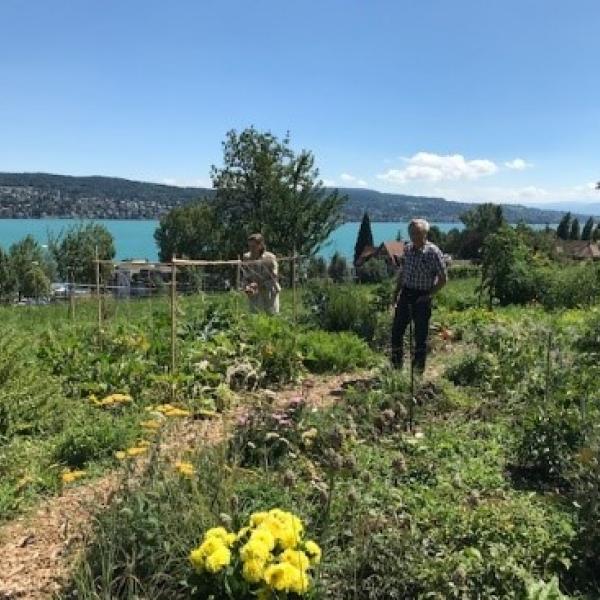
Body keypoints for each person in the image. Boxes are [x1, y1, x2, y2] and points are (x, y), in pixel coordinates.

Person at [391, 218, 447, 373]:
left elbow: (443, 279)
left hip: (422, 297)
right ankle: (396, 369)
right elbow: (403, 273)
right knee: (397, 331)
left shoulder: (433, 252)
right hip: (406, 293)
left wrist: (428, 295)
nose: (414, 236)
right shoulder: (407, 249)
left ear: (425, 233)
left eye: (417, 233)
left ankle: (417, 373)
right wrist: (396, 293)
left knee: (420, 336)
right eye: (412, 233)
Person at [242, 233, 281, 314]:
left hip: (269, 290)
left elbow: (274, 275)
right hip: (254, 292)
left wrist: (259, 284)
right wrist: (247, 286)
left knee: (272, 316)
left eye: (254, 246)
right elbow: (246, 275)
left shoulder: (269, 257)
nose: (251, 249)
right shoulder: (247, 257)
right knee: (255, 316)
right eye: (249, 246)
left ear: (260, 245)